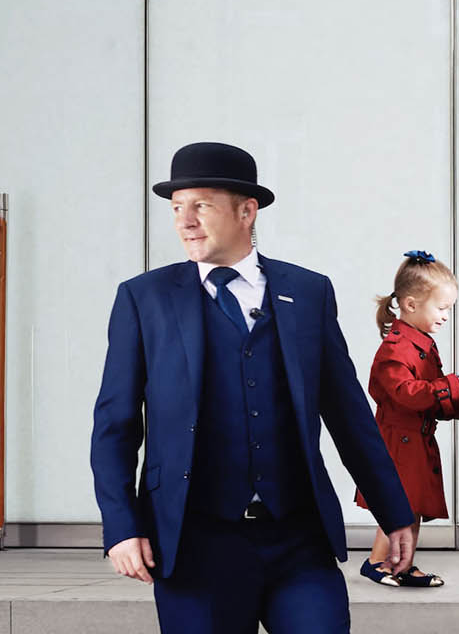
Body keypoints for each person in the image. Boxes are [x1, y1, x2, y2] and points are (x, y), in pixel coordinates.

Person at [91, 142, 418, 632]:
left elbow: (349, 415)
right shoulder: (144, 299)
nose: (185, 221)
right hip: (193, 544)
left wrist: (395, 513)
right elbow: (114, 426)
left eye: (200, 205)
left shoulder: (308, 293)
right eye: (177, 208)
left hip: (298, 540)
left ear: (247, 211)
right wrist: (121, 527)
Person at [353, 250, 459, 587]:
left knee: (414, 505)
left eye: (448, 309)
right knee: (400, 502)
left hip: (416, 437)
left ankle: (402, 564)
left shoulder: (420, 343)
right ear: (410, 305)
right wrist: (448, 387)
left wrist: (458, 405)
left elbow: (425, 395)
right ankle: (380, 561)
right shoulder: (395, 348)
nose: (446, 317)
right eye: (441, 308)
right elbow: (406, 393)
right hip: (398, 439)